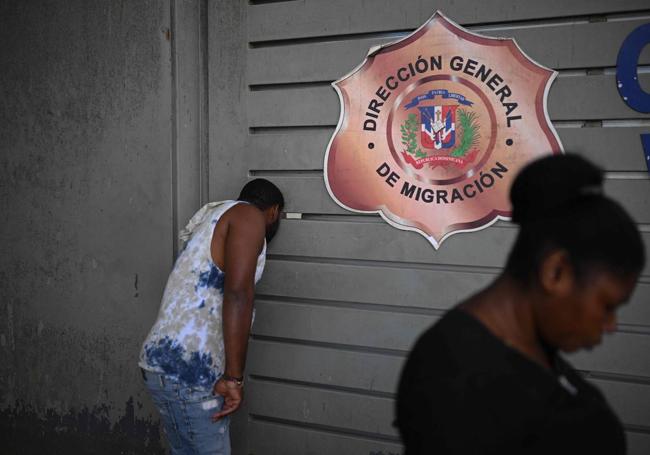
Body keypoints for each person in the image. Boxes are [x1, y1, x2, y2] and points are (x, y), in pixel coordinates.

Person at [395, 154, 645, 454]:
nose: (611, 325)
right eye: (607, 306)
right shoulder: (454, 382)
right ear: (556, 273)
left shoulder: (531, 344)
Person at [138, 178, 284, 455]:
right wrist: (233, 379)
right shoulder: (249, 216)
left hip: (162, 366)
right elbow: (239, 294)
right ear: (274, 212)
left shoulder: (213, 219)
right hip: (189, 375)